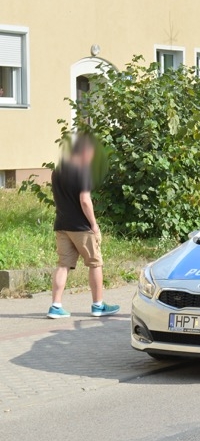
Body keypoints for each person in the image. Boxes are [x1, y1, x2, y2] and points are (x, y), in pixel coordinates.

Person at [48, 135, 119, 319]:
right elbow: (85, 200)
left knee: (63, 265)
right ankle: (98, 306)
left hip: (62, 224)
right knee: (95, 263)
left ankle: (55, 306)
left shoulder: (57, 171)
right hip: (81, 227)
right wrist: (94, 225)